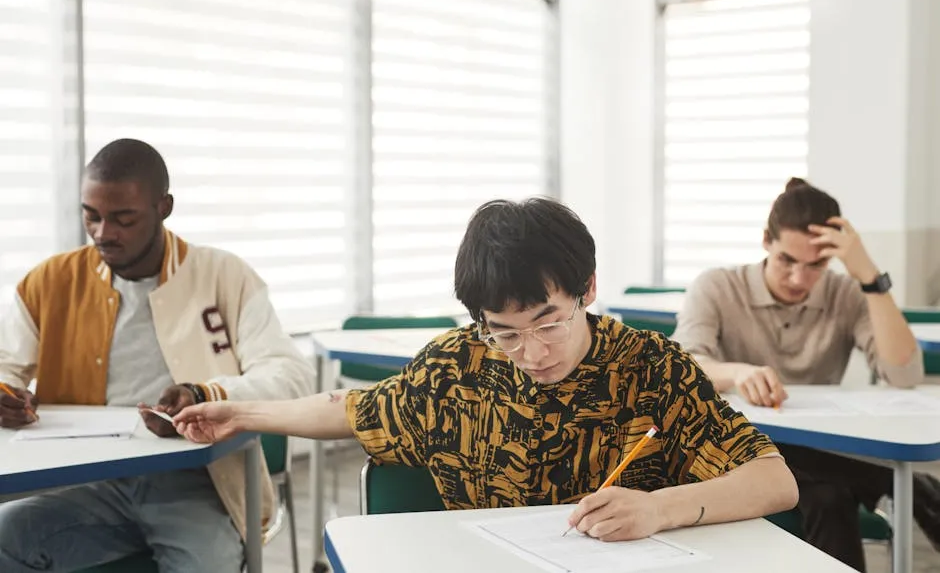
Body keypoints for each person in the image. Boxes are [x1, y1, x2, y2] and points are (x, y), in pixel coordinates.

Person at [174, 197, 798, 541]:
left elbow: (775, 482)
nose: (532, 352)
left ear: (587, 290)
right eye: (505, 332)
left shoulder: (648, 368)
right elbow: (351, 410)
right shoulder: (456, 370)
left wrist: (660, 508)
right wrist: (240, 411)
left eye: (549, 322)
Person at [0, 138, 315, 572]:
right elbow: (4, 366)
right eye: (91, 216)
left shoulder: (223, 275)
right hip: (84, 484)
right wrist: (6, 395)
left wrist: (204, 394)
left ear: (163, 207)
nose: (102, 233)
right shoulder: (50, 282)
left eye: (123, 219)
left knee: (206, 565)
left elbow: (291, 374)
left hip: (191, 481)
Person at [671, 177, 940, 571]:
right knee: (823, 486)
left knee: (830, 498)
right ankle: (901, 487)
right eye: (787, 261)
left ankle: (900, 487)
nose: (800, 279)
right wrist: (737, 373)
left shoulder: (845, 293)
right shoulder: (717, 286)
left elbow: (903, 372)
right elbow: (680, 370)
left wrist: (870, 278)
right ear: (766, 241)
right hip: (725, 451)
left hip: (810, 460)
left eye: (816, 265)